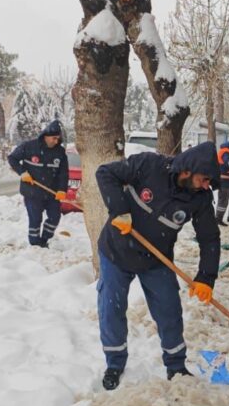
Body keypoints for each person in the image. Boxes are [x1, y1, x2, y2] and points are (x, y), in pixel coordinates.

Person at [94, 142, 221, 390]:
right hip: (116, 251)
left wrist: (206, 277)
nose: (207, 186)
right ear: (189, 170)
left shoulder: (200, 198)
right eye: (204, 179)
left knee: (169, 310)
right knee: (111, 308)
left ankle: (176, 366)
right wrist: (119, 210)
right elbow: (105, 172)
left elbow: (209, 238)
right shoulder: (149, 165)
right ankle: (115, 363)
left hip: (156, 259)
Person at [8, 120, 69, 247]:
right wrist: (22, 172)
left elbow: (63, 173)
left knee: (54, 218)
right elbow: (12, 158)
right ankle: (35, 245)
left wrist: (62, 189)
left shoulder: (60, 152)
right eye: (54, 138)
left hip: (51, 193)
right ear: (46, 136)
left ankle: (44, 239)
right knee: (35, 220)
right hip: (32, 192)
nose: (56, 141)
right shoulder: (29, 147)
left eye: (58, 139)